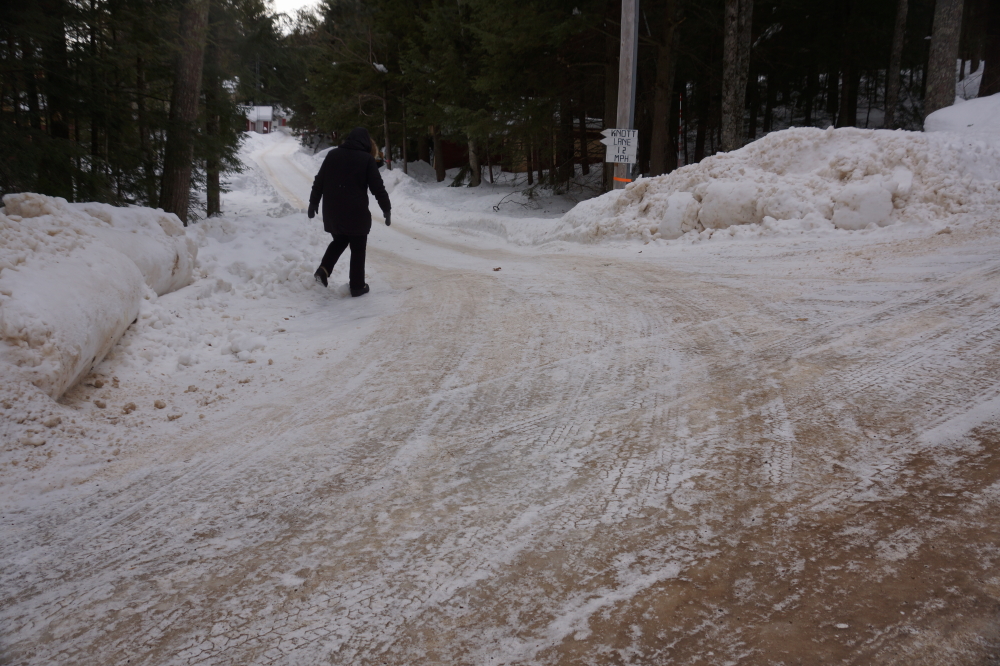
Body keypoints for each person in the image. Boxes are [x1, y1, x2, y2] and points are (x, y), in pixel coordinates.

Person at [308, 126, 391, 297]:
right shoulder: (366, 159)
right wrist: (386, 208)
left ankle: (323, 271)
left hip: (333, 212)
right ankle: (357, 286)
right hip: (356, 212)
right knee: (358, 246)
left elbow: (319, 181)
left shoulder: (332, 155)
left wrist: (313, 202)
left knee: (340, 240)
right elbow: (378, 188)